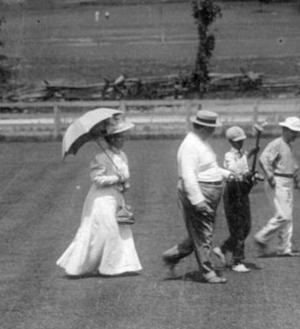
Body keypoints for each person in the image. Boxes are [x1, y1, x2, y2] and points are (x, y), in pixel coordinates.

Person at [56, 115, 142, 277]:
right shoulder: (100, 157)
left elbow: (124, 177)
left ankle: (116, 266)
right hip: (101, 199)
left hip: (116, 196)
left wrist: (124, 184)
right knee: (105, 230)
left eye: (124, 137)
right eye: (120, 137)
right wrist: (116, 178)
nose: (123, 140)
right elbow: (96, 179)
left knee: (117, 229)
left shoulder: (123, 156)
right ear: (112, 139)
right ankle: (90, 266)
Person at [162, 109, 231, 284]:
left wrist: (230, 174)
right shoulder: (190, 145)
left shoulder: (201, 142)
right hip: (199, 192)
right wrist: (198, 200)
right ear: (202, 128)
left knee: (200, 232)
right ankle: (208, 272)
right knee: (203, 233)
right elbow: (188, 175)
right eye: (211, 128)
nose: (213, 131)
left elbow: (210, 167)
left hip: (210, 190)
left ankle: (172, 256)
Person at [253, 116, 300, 257]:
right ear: (286, 130)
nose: (296, 135)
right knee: (284, 215)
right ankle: (261, 237)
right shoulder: (277, 143)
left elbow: (291, 166)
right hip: (278, 181)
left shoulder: (288, 146)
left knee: (288, 218)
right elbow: (264, 159)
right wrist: (270, 175)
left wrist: (296, 180)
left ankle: (284, 248)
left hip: (287, 182)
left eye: (297, 132)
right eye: (294, 131)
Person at [213, 126, 258, 273]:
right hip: (232, 192)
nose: (240, 143)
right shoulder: (229, 156)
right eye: (237, 141)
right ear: (231, 142)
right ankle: (237, 261)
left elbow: (245, 172)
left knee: (247, 226)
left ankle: (223, 248)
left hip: (242, 192)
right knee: (238, 227)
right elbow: (234, 169)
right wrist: (250, 155)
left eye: (242, 140)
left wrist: (253, 176)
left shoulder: (243, 154)